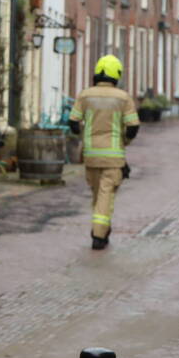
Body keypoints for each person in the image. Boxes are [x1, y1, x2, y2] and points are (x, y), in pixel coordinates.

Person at [68, 54, 140, 250]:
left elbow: (73, 123)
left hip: (91, 156)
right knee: (106, 196)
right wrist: (125, 141)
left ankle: (102, 228)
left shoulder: (85, 95)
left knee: (97, 195)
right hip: (114, 158)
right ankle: (99, 235)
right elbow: (133, 126)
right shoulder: (123, 98)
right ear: (116, 74)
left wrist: (84, 137)